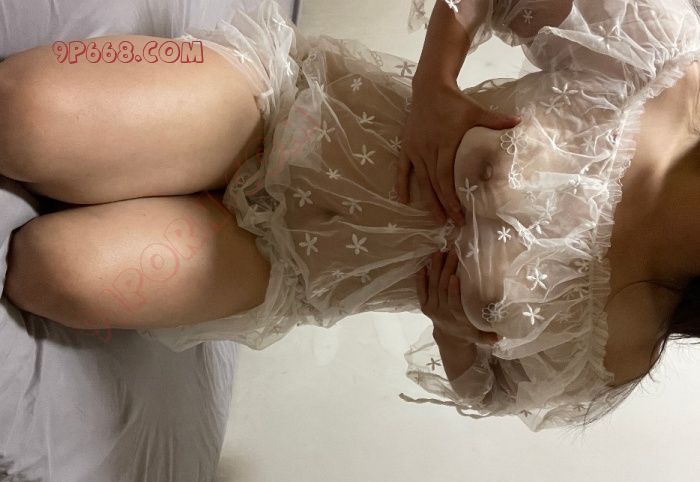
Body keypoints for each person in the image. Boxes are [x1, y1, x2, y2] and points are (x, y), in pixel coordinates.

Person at [1, 0, 699, 432]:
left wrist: (455, 332)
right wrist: (435, 85)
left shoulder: (620, 348)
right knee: (21, 118)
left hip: (286, 267)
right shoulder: (662, 63)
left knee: (48, 272)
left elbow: (492, 391)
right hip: (287, 118)